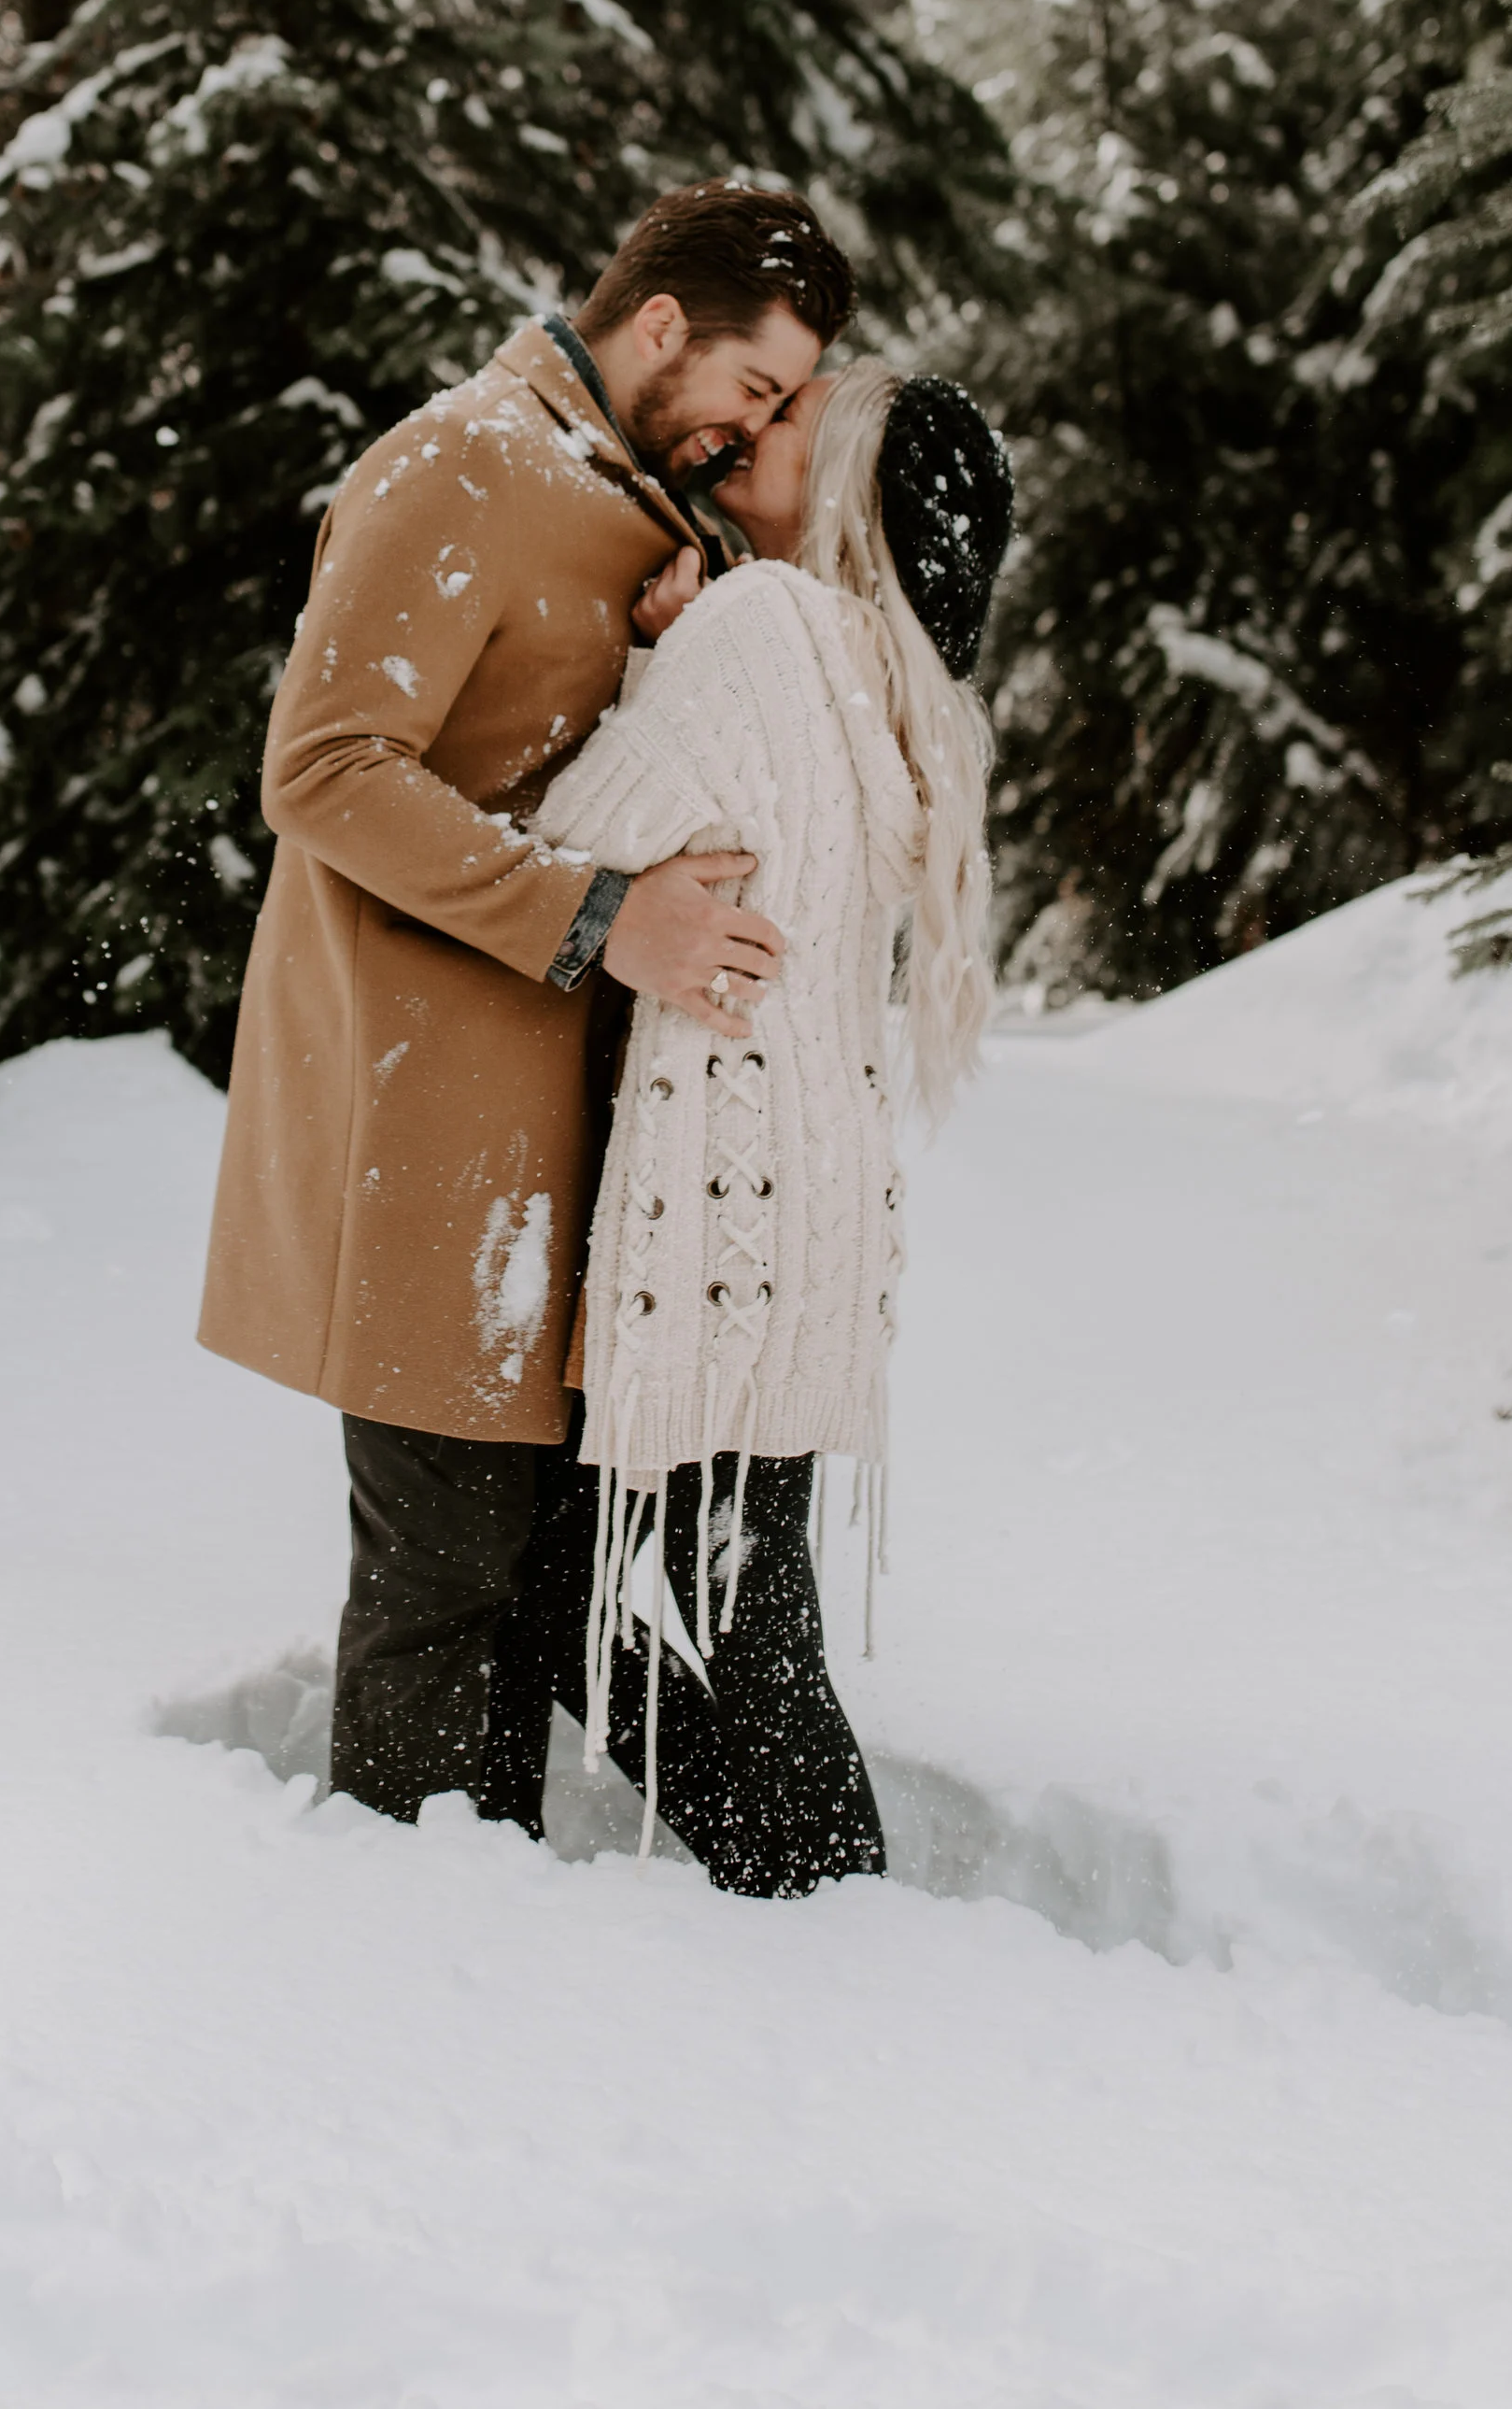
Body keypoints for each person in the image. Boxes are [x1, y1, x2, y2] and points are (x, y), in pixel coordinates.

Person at [197, 181, 857, 1824]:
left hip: (585, 1154)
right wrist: (601, 918)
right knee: (443, 1591)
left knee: (543, 1592)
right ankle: (411, 1973)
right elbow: (326, 768)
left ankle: (533, 1953)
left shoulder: (649, 507)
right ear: (657, 329)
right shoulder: (461, 464)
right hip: (431, 1140)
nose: (755, 427)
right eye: (754, 389)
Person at [527, 359, 1010, 1894]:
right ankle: (808, 1900)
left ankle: (821, 1912)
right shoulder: (888, 675)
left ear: (851, 487)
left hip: (730, 1208)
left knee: (572, 1587)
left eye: (802, 418)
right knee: (750, 1607)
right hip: (816, 1210)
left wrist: (655, 650)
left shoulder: (763, 625)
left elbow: (569, 832)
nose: (761, 422)